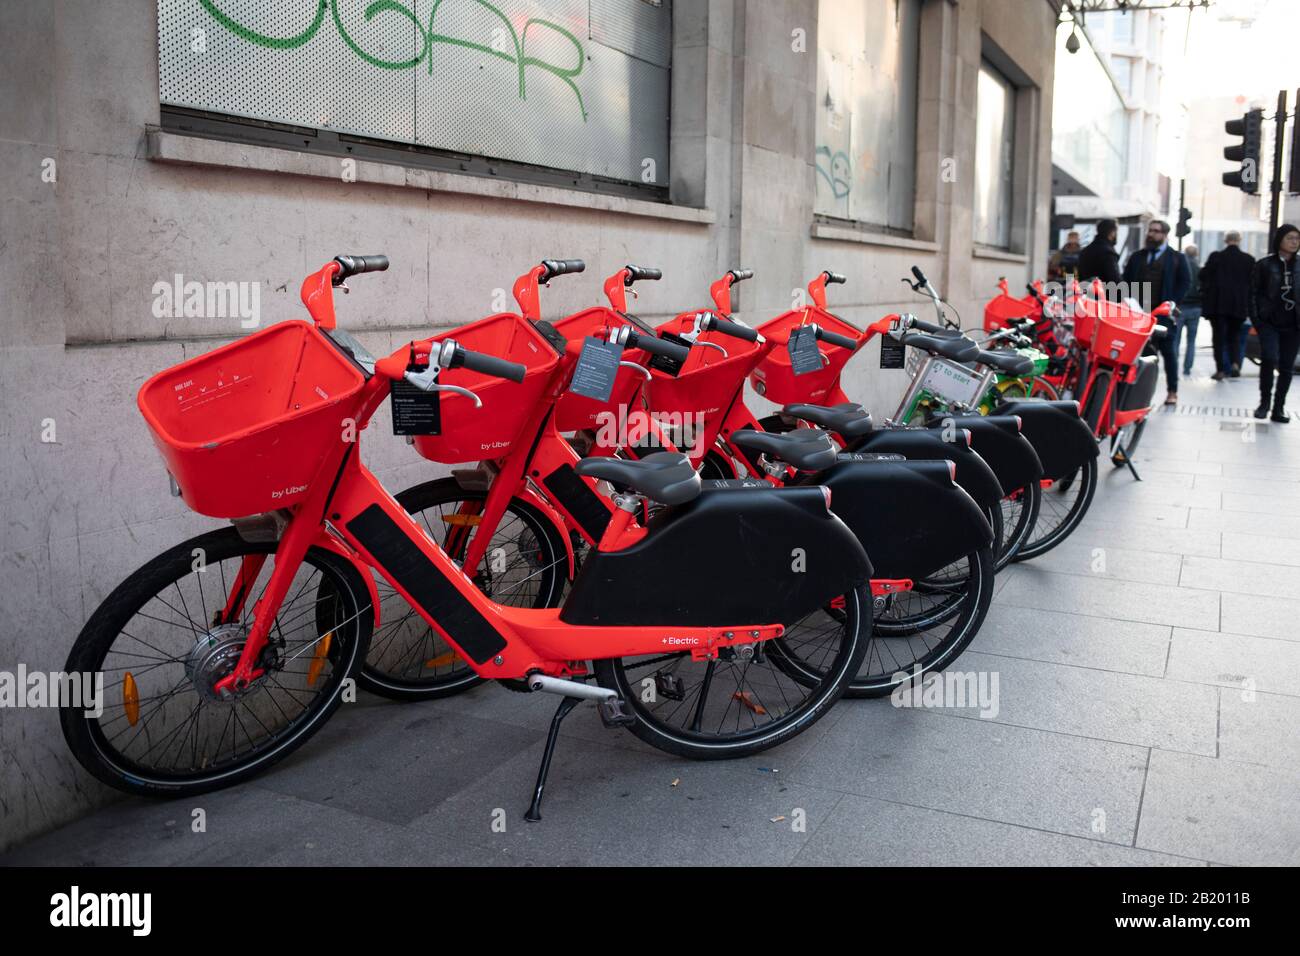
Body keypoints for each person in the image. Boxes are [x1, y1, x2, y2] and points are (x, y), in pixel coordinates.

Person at [1122, 219, 1191, 404]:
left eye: (1155, 231)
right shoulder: (1137, 257)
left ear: (1164, 235)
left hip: (1164, 316)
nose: (1151, 234)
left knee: (1169, 353)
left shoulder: (1177, 258)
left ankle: (1172, 391)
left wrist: (1172, 302)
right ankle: (1137, 393)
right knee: (1140, 354)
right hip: (1139, 316)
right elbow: (1125, 281)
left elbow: (1185, 282)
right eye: (1150, 230)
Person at [1251, 223, 1300, 423]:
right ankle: (1264, 403)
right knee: (1269, 359)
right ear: (1279, 240)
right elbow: (1252, 294)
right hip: (1269, 323)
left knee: (1287, 367)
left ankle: (1278, 408)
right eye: (1290, 238)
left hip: (1294, 325)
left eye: (1297, 238)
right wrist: (1258, 320)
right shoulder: (1264, 265)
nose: (1294, 242)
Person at [1200, 231, 1255, 380]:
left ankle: (1221, 370)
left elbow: (1203, 276)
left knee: (1218, 338)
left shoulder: (1216, 257)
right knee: (1235, 336)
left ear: (1225, 240)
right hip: (1238, 305)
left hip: (1218, 305)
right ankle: (1235, 363)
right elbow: (1253, 284)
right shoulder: (1248, 260)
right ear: (1239, 240)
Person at [1176, 244, 1202, 376]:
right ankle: (1187, 368)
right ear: (1196, 254)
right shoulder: (1199, 268)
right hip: (1195, 307)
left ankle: (1174, 365)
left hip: (1181, 306)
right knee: (1191, 341)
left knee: (1176, 339)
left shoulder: (1179, 268)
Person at [1077, 219, 1122, 291]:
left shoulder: (1084, 251)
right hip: (1104, 299)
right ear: (1112, 232)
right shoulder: (1108, 253)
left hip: (1085, 298)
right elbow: (1115, 280)